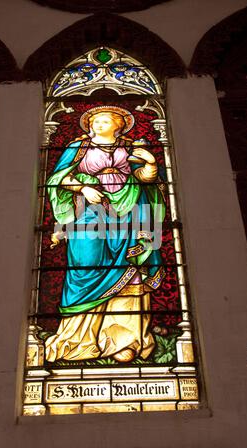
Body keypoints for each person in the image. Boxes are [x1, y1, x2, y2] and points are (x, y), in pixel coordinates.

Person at [45, 106, 166, 363]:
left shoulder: (131, 147)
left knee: (129, 270)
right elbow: (58, 179)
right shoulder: (77, 148)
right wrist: (83, 187)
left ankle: (125, 340)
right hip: (89, 211)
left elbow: (146, 178)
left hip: (130, 208)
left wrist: (151, 162)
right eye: (95, 120)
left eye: (104, 120)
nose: (98, 124)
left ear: (118, 124)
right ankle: (79, 340)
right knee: (86, 265)